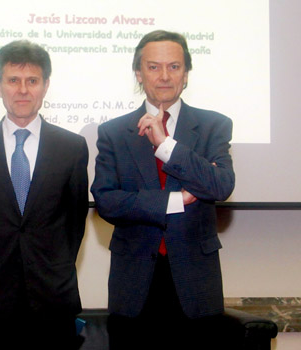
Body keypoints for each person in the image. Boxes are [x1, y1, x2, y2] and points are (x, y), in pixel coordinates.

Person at [91, 29, 236, 348]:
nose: (165, 76)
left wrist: (166, 146)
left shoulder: (214, 126)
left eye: (174, 66)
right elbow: (107, 201)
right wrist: (176, 199)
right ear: (138, 74)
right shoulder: (114, 132)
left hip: (196, 285)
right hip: (134, 285)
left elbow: (221, 184)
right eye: (154, 67)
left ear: (186, 74)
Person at [0, 40, 89, 349]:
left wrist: (49, 264)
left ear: (46, 85)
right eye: (13, 80)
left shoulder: (72, 148)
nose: (23, 90)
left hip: (54, 298)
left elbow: (75, 224)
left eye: (32, 81)